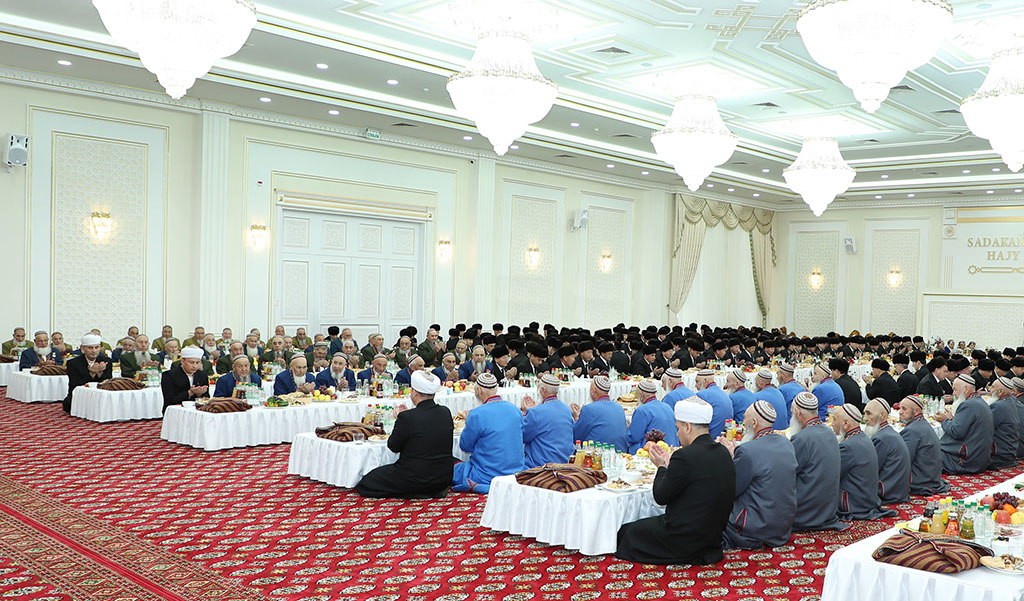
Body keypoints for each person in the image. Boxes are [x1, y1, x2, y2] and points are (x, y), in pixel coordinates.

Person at [615, 397, 736, 565]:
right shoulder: (723, 452)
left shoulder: (685, 456)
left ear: (688, 427)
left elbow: (660, 497)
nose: (677, 434)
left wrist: (662, 467)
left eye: (678, 428)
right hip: (713, 537)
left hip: (683, 538)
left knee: (627, 532)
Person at [357, 371, 455, 498]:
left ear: (414, 392)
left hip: (414, 476)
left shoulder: (407, 417)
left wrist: (400, 420)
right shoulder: (445, 412)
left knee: (366, 483)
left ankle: (415, 492)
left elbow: (393, 446)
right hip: (443, 478)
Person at [719, 400, 798, 549]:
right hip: (783, 527)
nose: (743, 424)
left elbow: (732, 490)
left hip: (755, 529)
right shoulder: (786, 443)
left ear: (754, 423)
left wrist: (730, 459)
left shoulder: (748, 451)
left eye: (745, 419)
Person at [452, 373, 525, 493]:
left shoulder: (477, 414)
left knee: (452, 466)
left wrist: (468, 422)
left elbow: (465, 446)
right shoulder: (515, 409)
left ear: (479, 390)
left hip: (486, 474)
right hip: (515, 471)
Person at [788, 391, 843, 531]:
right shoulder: (829, 432)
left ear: (798, 413)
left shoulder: (801, 438)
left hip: (806, 512)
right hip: (829, 508)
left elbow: (788, 473)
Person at [833, 404, 897, 520]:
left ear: (846, 424)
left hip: (854, 503)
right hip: (867, 499)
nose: (832, 424)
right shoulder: (863, 438)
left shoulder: (848, 446)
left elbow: (833, 475)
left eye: (834, 420)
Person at [934, 381, 994, 474]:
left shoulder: (968, 405)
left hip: (966, 461)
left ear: (965, 389)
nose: (953, 393)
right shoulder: (980, 401)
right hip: (980, 458)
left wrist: (944, 420)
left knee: (928, 453)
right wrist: (952, 419)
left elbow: (956, 432)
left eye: (955, 389)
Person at [897, 395, 950, 495]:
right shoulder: (922, 423)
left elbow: (904, 461)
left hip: (920, 480)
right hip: (930, 477)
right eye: (900, 408)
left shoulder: (912, 430)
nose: (900, 412)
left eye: (904, 409)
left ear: (916, 411)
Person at [863, 399, 911, 505]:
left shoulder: (882, 438)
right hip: (898, 490)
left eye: (869, 413)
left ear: (882, 415)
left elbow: (871, 471)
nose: (865, 418)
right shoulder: (887, 433)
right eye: (864, 413)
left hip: (888, 492)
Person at [520, 373, 574, 467]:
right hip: (564, 463)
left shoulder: (536, 412)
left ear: (542, 390)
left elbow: (523, 436)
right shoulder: (566, 409)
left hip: (541, 466)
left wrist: (525, 413)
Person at [571, 376, 628, 452]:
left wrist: (577, 418)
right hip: (620, 453)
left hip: (597, 456)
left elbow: (576, 437)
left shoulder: (589, 409)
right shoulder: (618, 407)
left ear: (593, 390)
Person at [627, 379, 681, 453]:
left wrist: (628, 429)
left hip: (654, 451)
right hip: (672, 448)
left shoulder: (642, 410)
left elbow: (633, 437)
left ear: (641, 395)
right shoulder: (667, 406)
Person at [63, 334, 112, 413]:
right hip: (80, 396)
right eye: (90, 348)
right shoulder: (73, 363)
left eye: (96, 347)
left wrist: (100, 373)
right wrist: (92, 373)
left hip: (100, 396)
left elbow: (108, 383)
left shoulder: (106, 361)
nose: (94, 351)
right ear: (83, 348)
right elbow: (75, 385)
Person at [159, 346, 209, 413]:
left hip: (196, 410)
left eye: (197, 363)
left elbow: (206, 398)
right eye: (191, 362)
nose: (194, 366)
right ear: (182, 361)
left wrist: (199, 394)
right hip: (175, 411)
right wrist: (190, 393)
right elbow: (170, 400)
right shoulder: (169, 375)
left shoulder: (202, 375)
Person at [988, 376, 1021, 469]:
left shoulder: (998, 406)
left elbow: (984, 427)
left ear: (1000, 392)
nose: (990, 389)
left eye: (993, 387)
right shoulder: (1011, 401)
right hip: (1010, 452)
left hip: (999, 455)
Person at [695, 369, 731, 439]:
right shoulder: (724, 393)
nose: (695, 385)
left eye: (697, 382)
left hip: (711, 436)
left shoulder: (702, 395)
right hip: (725, 435)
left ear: (705, 381)